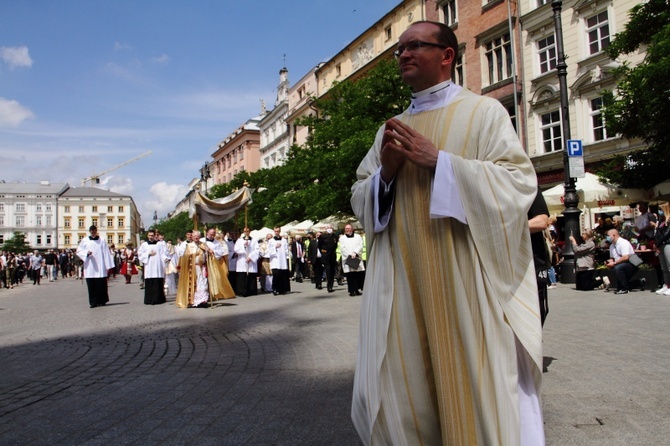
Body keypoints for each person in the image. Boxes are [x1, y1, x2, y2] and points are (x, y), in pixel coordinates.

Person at [350, 21, 543, 445]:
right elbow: (359, 196)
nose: (402, 54)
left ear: (447, 55)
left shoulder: (484, 112)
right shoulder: (390, 128)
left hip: (465, 284)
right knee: (403, 391)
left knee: (473, 392)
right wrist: (387, 172)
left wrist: (440, 161)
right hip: (404, 284)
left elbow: (518, 183)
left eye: (414, 45)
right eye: (399, 49)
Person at [76, 225, 115, 308]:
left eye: (94, 231)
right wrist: (86, 253)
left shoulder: (102, 240)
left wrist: (108, 265)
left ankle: (101, 301)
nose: (93, 233)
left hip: (100, 266)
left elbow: (106, 253)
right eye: (92, 231)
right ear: (90, 231)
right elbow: (79, 251)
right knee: (91, 286)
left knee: (101, 285)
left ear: (96, 231)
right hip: (90, 266)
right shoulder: (85, 240)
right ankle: (93, 302)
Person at [528, 188, 550, 326]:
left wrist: (505, 227)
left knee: (534, 316)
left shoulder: (529, 185)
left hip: (533, 261)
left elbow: (542, 221)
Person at [605, 228, 640, 294]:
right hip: (621, 263)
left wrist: (614, 263)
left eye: (608, 235)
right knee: (618, 271)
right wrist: (608, 262)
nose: (607, 237)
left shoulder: (623, 242)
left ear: (614, 235)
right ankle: (638, 282)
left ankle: (624, 289)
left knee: (618, 268)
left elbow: (626, 257)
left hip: (631, 263)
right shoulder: (612, 246)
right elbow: (612, 258)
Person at [137, 230, 168, 305]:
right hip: (149, 266)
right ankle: (149, 299)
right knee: (150, 282)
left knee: (158, 282)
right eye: (149, 235)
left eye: (152, 235)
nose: (151, 237)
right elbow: (140, 254)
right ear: (147, 236)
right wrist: (148, 254)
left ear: (155, 236)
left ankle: (159, 299)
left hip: (158, 266)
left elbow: (163, 253)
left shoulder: (159, 244)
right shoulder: (144, 245)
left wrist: (165, 258)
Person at [339, 224, 365, 296]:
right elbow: (342, 248)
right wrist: (350, 254)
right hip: (348, 258)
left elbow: (360, 245)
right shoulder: (342, 238)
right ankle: (351, 291)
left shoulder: (358, 237)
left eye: (349, 228)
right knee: (350, 276)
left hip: (356, 257)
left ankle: (357, 289)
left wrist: (355, 253)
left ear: (352, 229)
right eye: (346, 228)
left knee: (358, 274)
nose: (347, 230)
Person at [234, 227, 259, 297]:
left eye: (247, 231)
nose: (246, 232)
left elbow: (257, 250)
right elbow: (236, 249)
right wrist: (243, 246)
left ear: (249, 231)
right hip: (242, 260)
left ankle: (251, 290)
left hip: (250, 260)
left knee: (251, 276)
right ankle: (242, 291)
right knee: (242, 276)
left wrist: (251, 257)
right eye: (245, 231)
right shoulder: (239, 240)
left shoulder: (254, 240)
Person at [653, 202, 670, 295]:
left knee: (669, 266)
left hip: (667, 244)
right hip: (660, 245)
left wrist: (658, 242)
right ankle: (666, 284)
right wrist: (656, 243)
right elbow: (657, 233)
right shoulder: (660, 221)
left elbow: (667, 234)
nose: (659, 211)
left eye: (661, 209)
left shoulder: (669, 220)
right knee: (664, 267)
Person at [268, 226, 290, 295]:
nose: (277, 232)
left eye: (278, 231)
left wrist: (287, 254)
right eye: (275, 231)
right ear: (274, 231)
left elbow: (286, 250)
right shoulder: (271, 241)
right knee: (276, 276)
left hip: (282, 261)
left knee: (282, 275)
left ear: (280, 231)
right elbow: (268, 251)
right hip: (275, 261)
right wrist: (275, 247)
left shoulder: (284, 240)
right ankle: (274, 289)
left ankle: (282, 289)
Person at [318, 224, 338, 293]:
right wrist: (324, 252)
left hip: (332, 256)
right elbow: (319, 246)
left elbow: (336, 245)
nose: (330, 229)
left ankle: (331, 285)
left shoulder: (335, 236)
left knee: (332, 271)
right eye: (328, 228)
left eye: (331, 228)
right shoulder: (322, 236)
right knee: (328, 270)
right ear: (326, 229)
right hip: (326, 256)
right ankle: (328, 286)